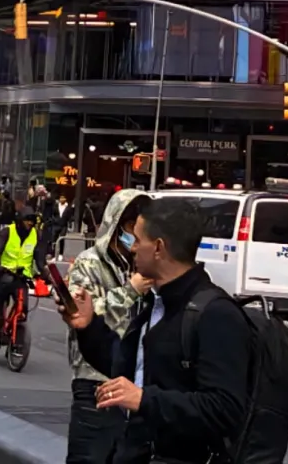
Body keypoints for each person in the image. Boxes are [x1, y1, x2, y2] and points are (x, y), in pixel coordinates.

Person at [62, 198, 253, 464]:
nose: (132, 248)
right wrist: (88, 326)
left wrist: (143, 399)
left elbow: (224, 410)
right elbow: (126, 366)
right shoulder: (157, 302)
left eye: (138, 240)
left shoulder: (215, 313)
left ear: (158, 248)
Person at [65, 189, 152, 464]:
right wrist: (130, 291)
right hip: (95, 379)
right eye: (131, 226)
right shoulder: (89, 262)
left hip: (134, 381)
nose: (136, 236)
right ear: (117, 225)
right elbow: (84, 315)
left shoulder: (141, 264)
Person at [0, 205, 40, 328]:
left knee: (23, 308)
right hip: (4, 272)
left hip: (22, 276)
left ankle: (16, 327)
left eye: (32, 221)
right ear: (20, 220)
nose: (30, 223)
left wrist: (45, 274)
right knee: (4, 286)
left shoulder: (36, 234)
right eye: (27, 220)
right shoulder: (7, 231)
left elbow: (40, 257)